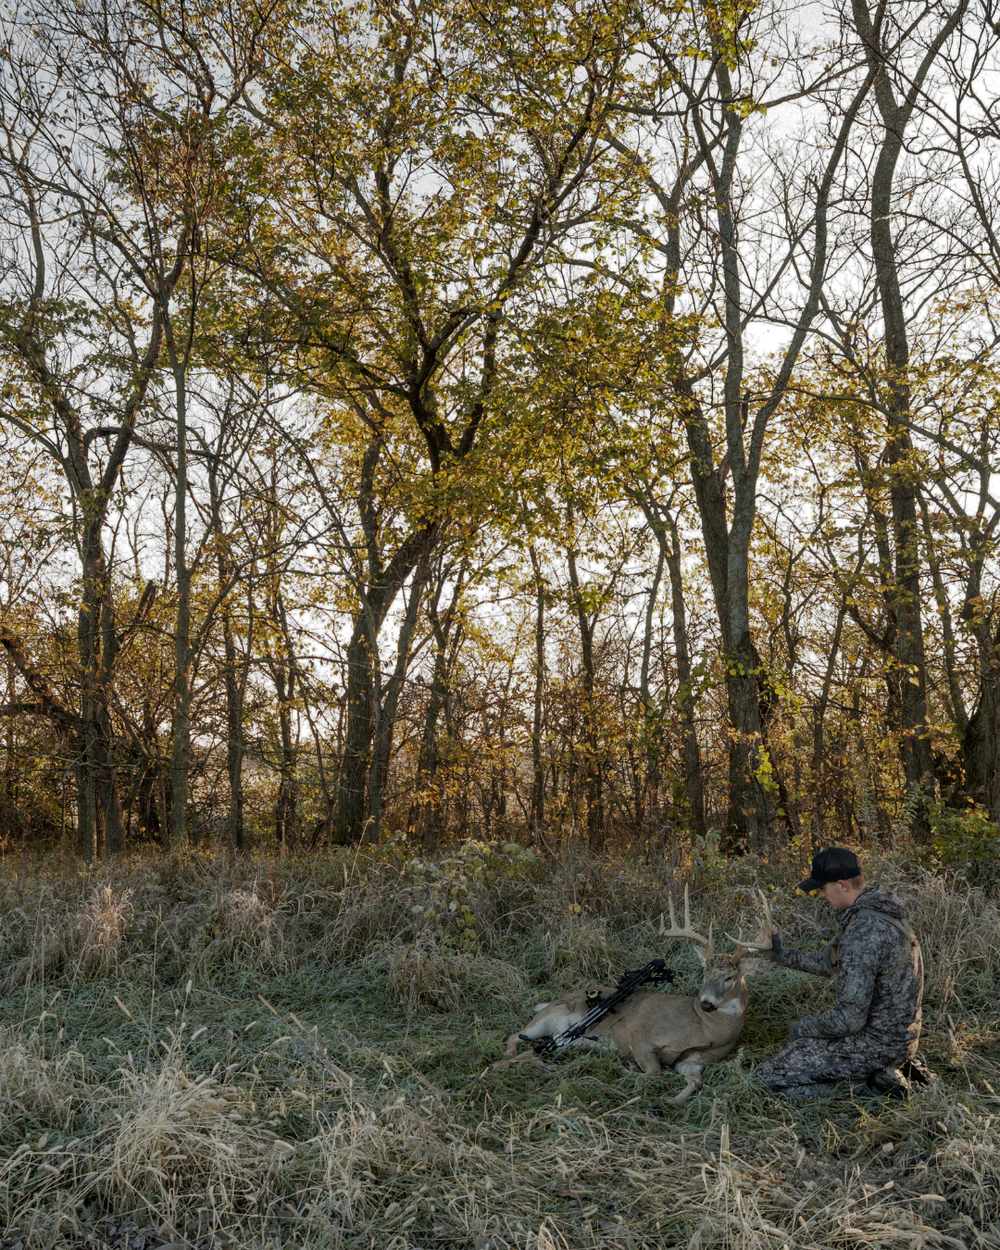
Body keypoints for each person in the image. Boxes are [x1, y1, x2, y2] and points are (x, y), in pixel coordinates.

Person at [757, 847, 926, 1101]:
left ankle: (871, 1088)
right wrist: (780, 955)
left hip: (877, 1047)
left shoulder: (864, 932)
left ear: (842, 884)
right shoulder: (876, 911)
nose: (820, 894)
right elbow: (834, 964)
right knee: (799, 1050)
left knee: (765, 1080)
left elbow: (849, 1019)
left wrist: (802, 1028)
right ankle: (881, 1075)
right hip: (898, 1040)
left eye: (822, 887)